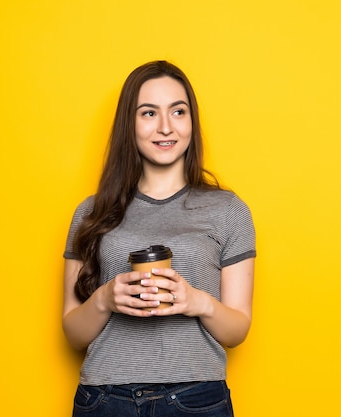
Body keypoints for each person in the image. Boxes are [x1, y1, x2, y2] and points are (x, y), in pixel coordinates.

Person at [62, 60, 256, 417]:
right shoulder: (90, 213)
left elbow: (237, 329)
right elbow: (73, 333)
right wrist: (106, 298)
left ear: (191, 121)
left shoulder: (229, 210)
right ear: (129, 124)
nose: (165, 127)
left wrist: (196, 301)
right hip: (105, 400)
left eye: (178, 111)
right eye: (149, 113)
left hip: (196, 400)